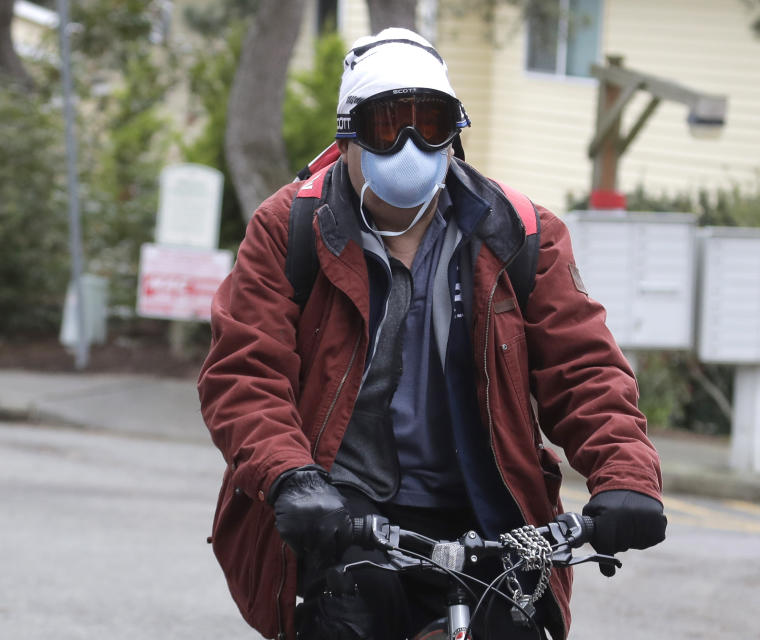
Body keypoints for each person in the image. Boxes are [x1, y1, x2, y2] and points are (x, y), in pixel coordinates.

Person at [198, 27, 666, 640]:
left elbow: (584, 368)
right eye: (389, 125)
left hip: (490, 510)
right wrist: (292, 477)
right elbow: (245, 372)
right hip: (342, 509)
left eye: (433, 123)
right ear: (348, 138)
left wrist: (626, 476)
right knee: (351, 610)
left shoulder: (522, 233)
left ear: (456, 136)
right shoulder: (290, 227)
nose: (412, 145)